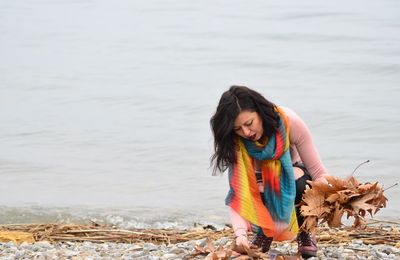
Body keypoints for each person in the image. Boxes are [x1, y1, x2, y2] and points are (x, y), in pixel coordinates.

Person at [210, 85, 329, 258]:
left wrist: (336, 197)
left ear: (259, 111)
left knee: (300, 180)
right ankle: (264, 232)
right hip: (259, 187)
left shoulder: (288, 121)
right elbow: (238, 194)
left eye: (249, 123)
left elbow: (318, 172)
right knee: (258, 186)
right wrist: (240, 234)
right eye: (237, 128)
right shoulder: (236, 141)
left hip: (294, 180)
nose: (246, 132)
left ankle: (306, 232)